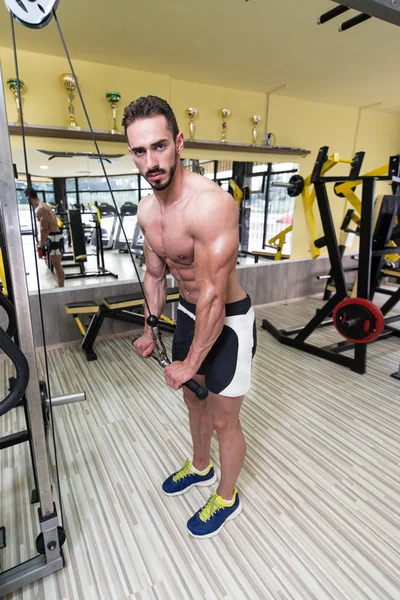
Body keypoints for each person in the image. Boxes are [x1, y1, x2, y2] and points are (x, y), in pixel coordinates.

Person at [123, 96, 256, 539]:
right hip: (185, 313)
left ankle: (226, 495)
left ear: (179, 142)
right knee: (193, 401)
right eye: (139, 151)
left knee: (223, 420)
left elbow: (214, 299)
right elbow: (156, 274)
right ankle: (200, 467)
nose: (151, 161)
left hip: (228, 319)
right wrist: (149, 327)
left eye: (159, 146)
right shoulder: (147, 211)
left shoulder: (210, 205)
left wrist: (191, 363)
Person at [24, 187, 65, 288]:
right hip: (53, 237)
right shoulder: (43, 205)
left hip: (54, 237)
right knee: (55, 264)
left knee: (57, 264)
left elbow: (44, 229)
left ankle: (61, 288)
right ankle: (60, 285)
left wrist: (40, 244)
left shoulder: (41, 208)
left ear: (28, 197)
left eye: (26, 198)